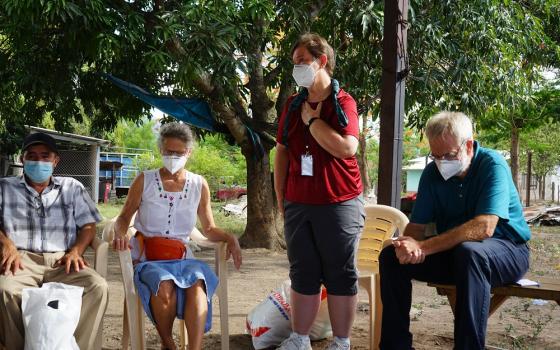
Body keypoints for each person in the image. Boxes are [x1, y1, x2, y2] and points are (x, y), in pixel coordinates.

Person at [379, 111, 531, 350]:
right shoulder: (432, 174)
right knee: (390, 257)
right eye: (435, 156)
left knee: (470, 253)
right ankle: (395, 346)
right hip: (458, 255)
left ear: (468, 145)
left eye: (448, 155)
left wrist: (424, 247)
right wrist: (406, 245)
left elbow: (485, 226)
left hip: (508, 252)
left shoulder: (492, 165)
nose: (441, 162)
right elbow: (417, 227)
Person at [112, 122, 242, 350]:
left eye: (178, 153)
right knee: (162, 287)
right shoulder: (145, 180)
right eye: (168, 152)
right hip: (148, 258)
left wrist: (230, 238)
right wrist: (120, 234)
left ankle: (194, 348)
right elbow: (124, 218)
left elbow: (209, 228)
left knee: (197, 282)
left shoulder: (198, 184)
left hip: (181, 258)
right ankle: (170, 345)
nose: (173, 156)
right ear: (161, 150)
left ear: (188, 153)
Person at [274, 33, 364, 350]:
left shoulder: (343, 103)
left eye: (302, 61)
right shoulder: (292, 104)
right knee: (303, 272)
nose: (296, 68)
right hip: (299, 201)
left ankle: (341, 342)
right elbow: (282, 151)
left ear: (321, 61)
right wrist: (281, 198)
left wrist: (313, 122)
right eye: (294, 62)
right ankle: (300, 339)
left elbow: (347, 148)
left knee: (341, 272)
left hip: (339, 201)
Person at [0, 132, 108, 350]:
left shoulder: (72, 187)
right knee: (4, 289)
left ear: (55, 161)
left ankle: (79, 346)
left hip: (63, 260)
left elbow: (88, 225)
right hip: (21, 259)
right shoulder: (4, 187)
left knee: (98, 287)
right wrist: (6, 244)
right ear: (22, 159)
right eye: (32, 156)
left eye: (45, 156)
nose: (38, 161)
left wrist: (77, 250)